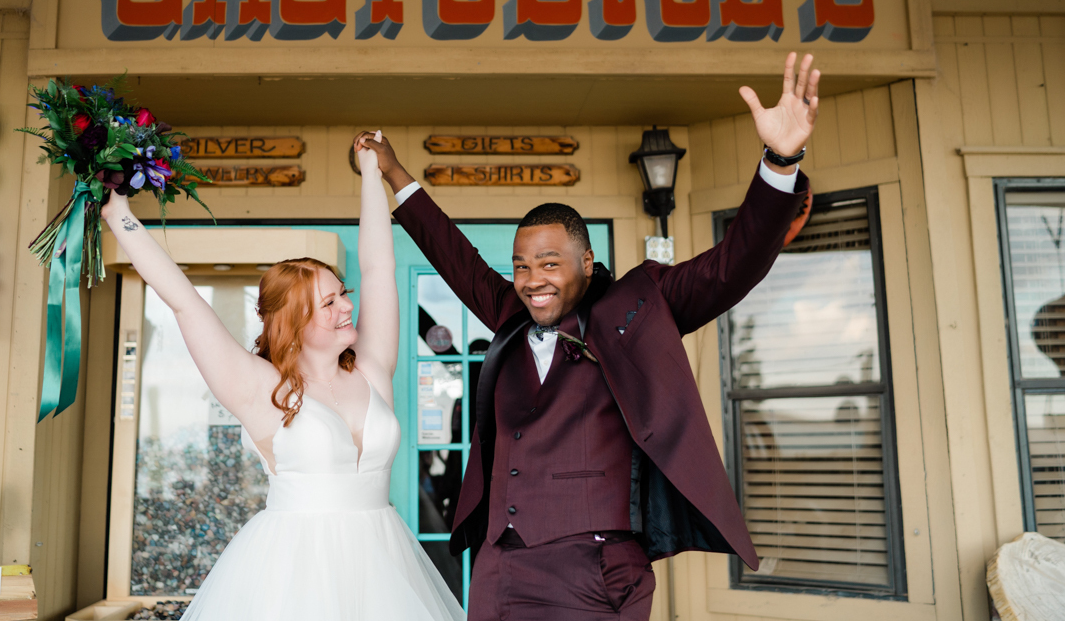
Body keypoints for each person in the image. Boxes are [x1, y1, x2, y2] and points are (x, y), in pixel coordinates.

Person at [356, 52, 821, 621]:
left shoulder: (639, 305)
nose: (532, 281)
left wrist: (781, 159)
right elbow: (456, 256)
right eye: (521, 266)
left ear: (587, 261)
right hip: (501, 567)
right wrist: (396, 172)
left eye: (549, 264)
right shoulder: (509, 313)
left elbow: (735, 264)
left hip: (595, 573)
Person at [101, 131, 464, 621]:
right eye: (330, 302)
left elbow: (379, 267)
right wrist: (117, 213)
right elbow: (184, 301)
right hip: (293, 575)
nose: (348, 306)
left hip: (385, 566)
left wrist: (372, 173)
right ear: (291, 322)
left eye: (343, 293)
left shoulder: (372, 367)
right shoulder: (259, 388)